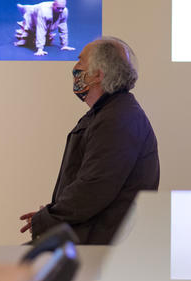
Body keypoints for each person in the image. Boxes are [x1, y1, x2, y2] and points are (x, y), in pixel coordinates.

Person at [19, 37, 160, 244]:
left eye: (80, 62)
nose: (75, 68)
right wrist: (53, 214)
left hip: (97, 248)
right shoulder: (109, 113)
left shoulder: (118, 119)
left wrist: (48, 218)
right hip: (89, 239)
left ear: (97, 75)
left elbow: (93, 189)